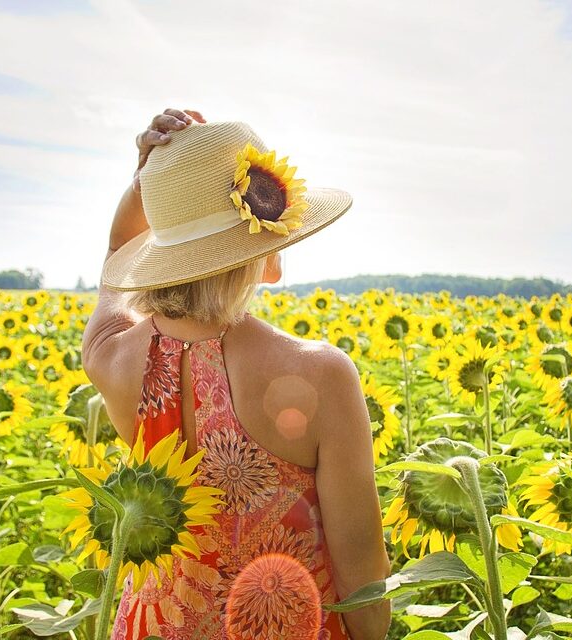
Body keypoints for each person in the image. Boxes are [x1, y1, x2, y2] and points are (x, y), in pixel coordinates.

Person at [80, 108, 391, 640]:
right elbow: (361, 571)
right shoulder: (319, 374)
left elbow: (116, 257)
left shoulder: (111, 355)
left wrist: (146, 182)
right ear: (264, 250)